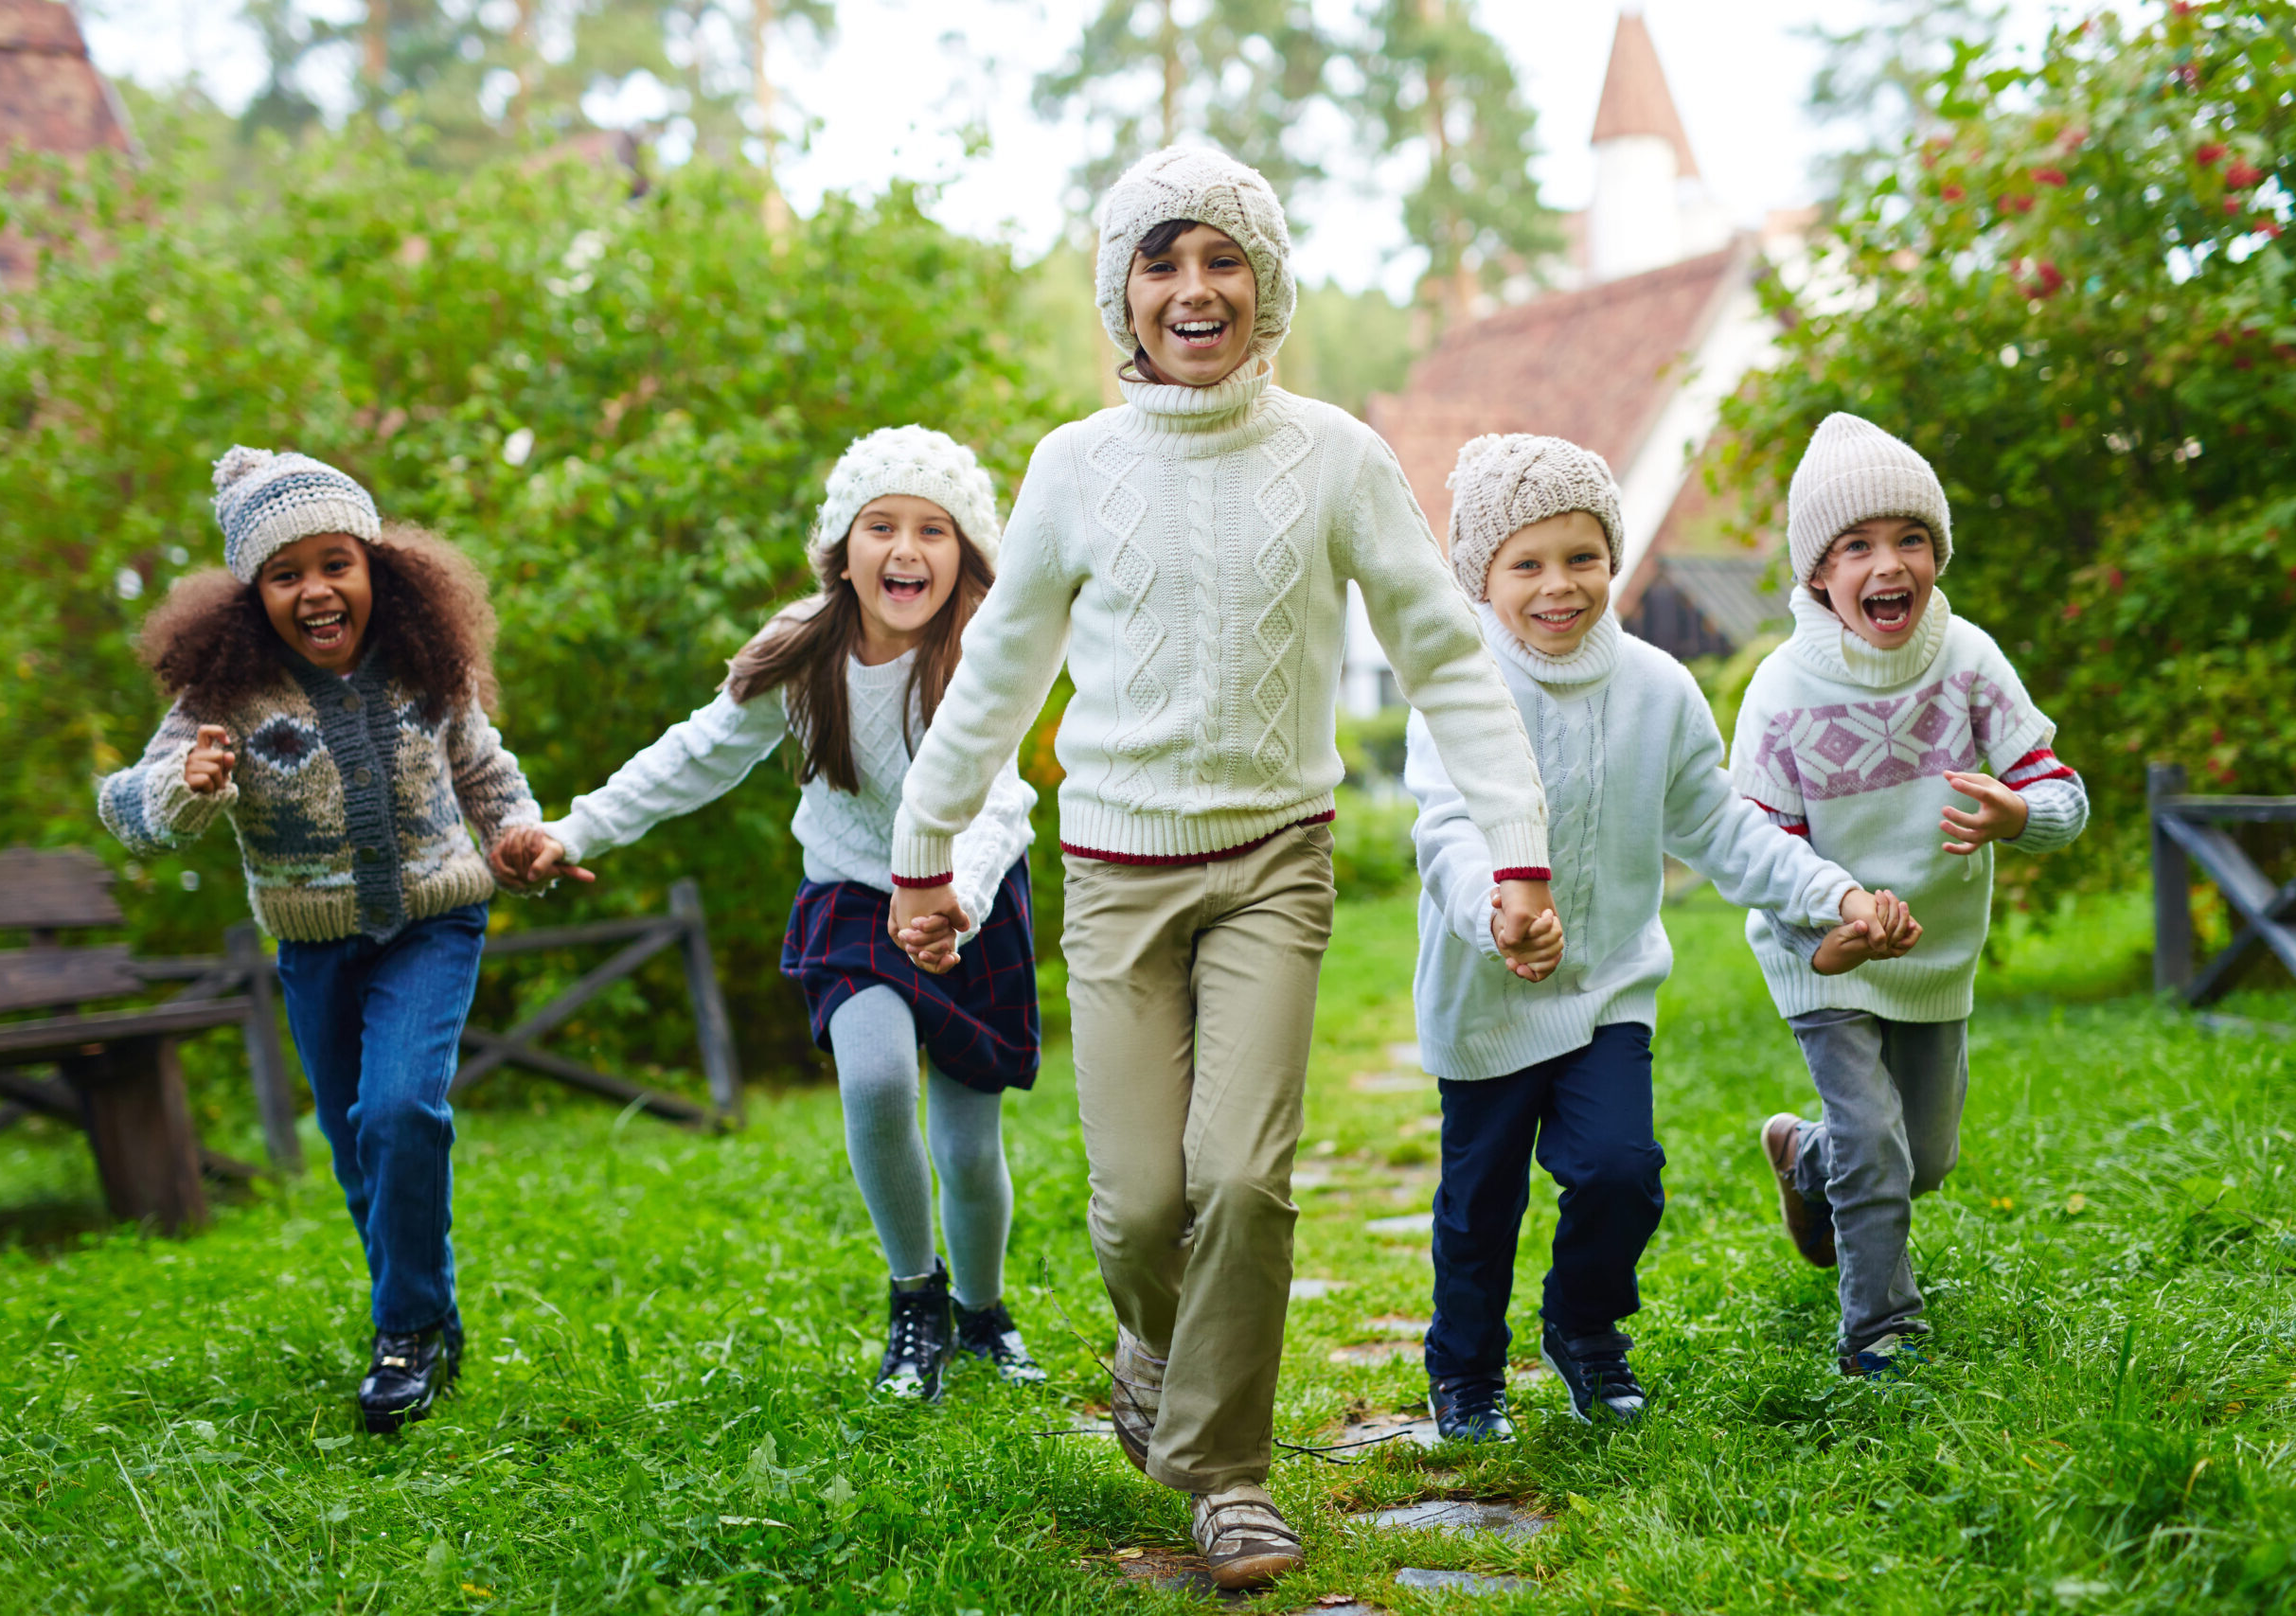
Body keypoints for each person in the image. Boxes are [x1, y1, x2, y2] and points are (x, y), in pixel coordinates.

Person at [883, 147, 1557, 1592]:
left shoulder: (1338, 457)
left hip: (1272, 864)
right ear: (1123, 295)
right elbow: (998, 674)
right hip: (1116, 873)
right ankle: (1156, 1342)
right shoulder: (1075, 468)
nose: (1195, 290)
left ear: (1268, 284)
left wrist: (1519, 845)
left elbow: (1445, 652)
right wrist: (923, 852)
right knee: (1139, 1204)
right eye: (1163, 262)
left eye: (1223, 259)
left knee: (1242, 1178)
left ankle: (1227, 1474)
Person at [497, 426, 1045, 1402]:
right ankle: (915, 1302)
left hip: (967, 900)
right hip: (851, 898)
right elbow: (694, 754)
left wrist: (956, 900)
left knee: (968, 1150)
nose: (906, 549)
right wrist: (576, 828)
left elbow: (1002, 799)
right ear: (842, 546)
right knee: (876, 1079)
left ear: (965, 553)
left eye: (933, 529)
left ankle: (983, 1314)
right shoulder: (803, 653)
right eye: (881, 525)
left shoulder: (984, 654)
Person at [1407, 434, 1920, 1442]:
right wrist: (1494, 910)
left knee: (1621, 1172)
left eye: (1582, 557)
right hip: (1486, 999)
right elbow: (1447, 828)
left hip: (1607, 987)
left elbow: (1724, 827)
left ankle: (1584, 1329)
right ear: (1481, 578)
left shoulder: (1656, 687)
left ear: (1614, 557)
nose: (1559, 585)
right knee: (1480, 1205)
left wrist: (1833, 894)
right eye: (1526, 564)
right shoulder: (1461, 688)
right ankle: (1463, 1372)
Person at [98, 447, 545, 1432]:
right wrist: (185, 786)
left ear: (377, 565)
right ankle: (428, 1317)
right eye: (284, 574)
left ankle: (406, 1334)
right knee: (355, 1151)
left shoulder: (428, 666)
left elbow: (485, 772)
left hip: (433, 920)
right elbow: (126, 806)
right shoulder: (226, 694)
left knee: (398, 1112)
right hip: (314, 944)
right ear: (251, 595)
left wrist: (520, 836)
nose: (315, 590)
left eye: (335, 563)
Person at [1733, 412, 2090, 1378]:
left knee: (1922, 1158)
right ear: (1818, 573)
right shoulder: (1781, 690)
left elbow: (2062, 792)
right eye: (1856, 545)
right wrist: (1831, 925)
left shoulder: (1966, 659)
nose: (1888, 563)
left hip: (1932, 949)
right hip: (1825, 951)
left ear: (1936, 554)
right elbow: (1756, 845)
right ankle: (1879, 1332)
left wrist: (2019, 814)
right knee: (1877, 1144)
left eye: (1910, 538)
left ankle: (1806, 1159)